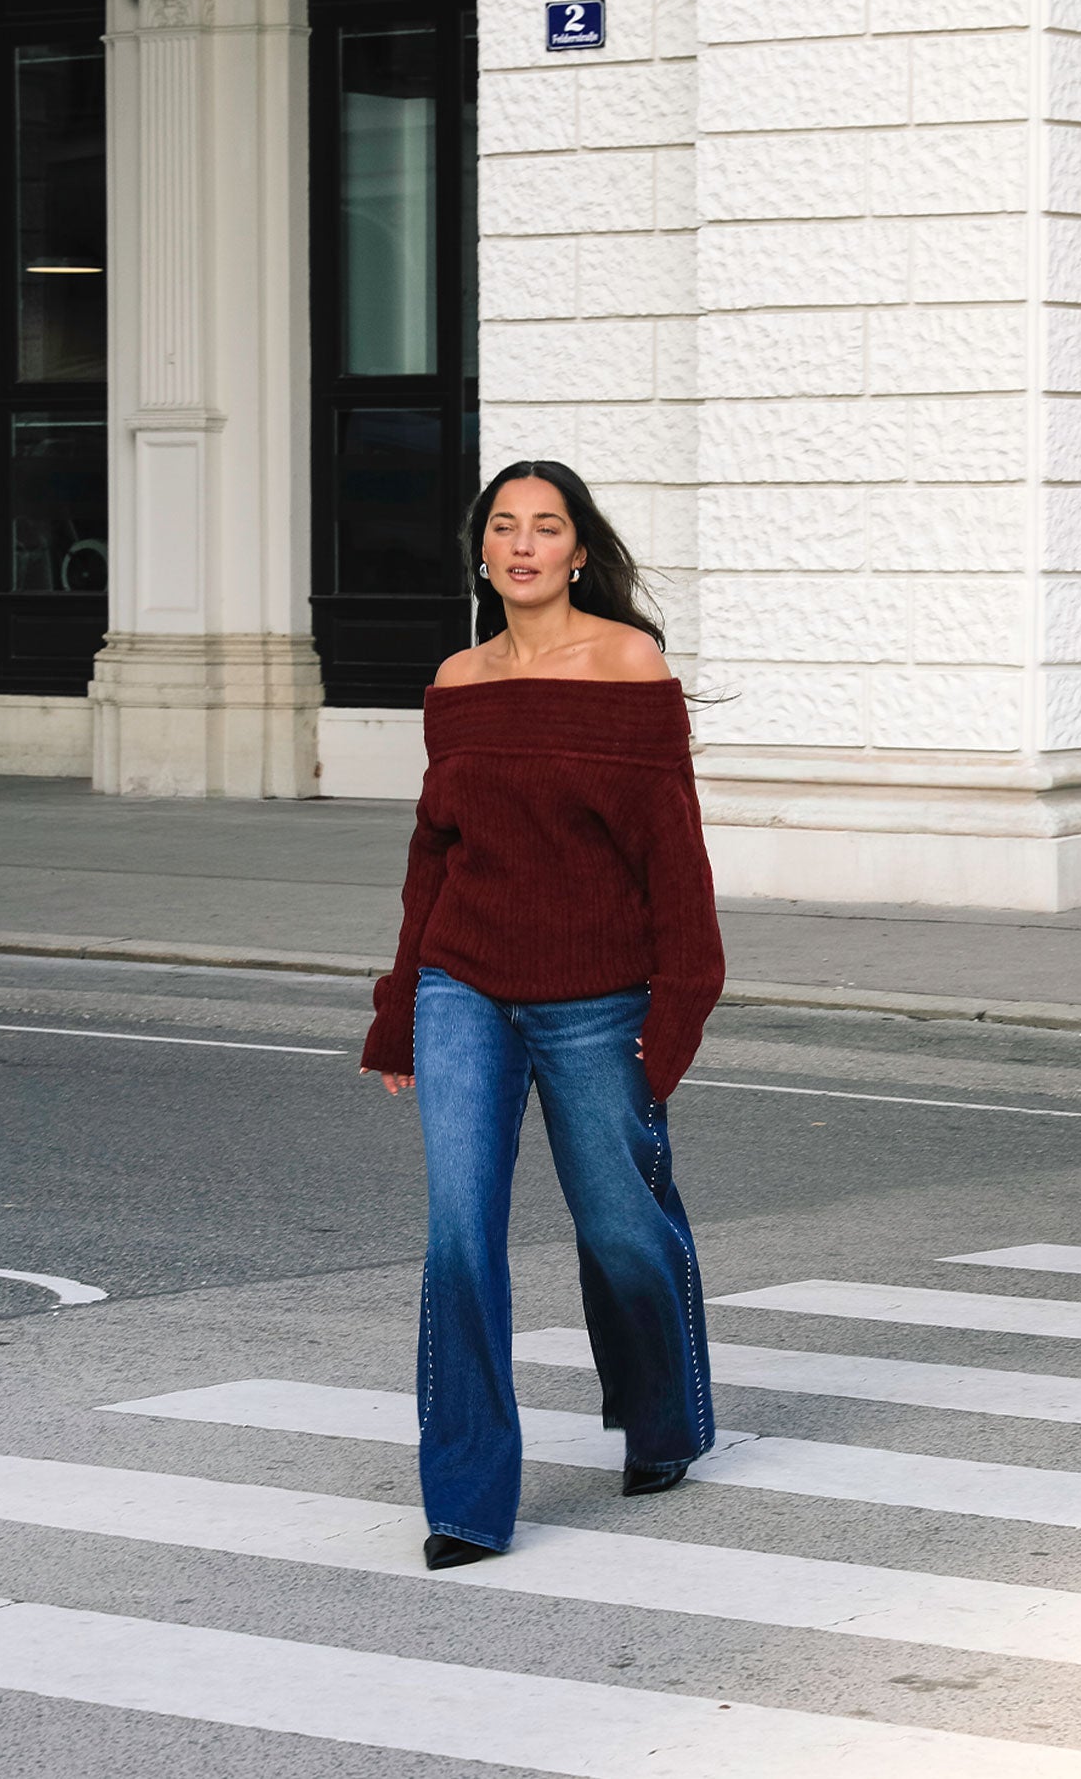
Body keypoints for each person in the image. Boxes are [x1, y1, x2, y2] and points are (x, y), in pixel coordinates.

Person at [359, 459, 726, 1570]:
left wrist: (679, 1008)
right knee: (461, 1233)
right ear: (484, 551)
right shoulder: (458, 681)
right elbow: (433, 859)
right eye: (505, 526)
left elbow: (675, 859)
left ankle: (662, 1418)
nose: (524, 544)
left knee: (621, 1225)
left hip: (598, 998)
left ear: (578, 549)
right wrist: (396, 1009)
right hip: (463, 984)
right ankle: (466, 1498)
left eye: (547, 526)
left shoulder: (627, 665)